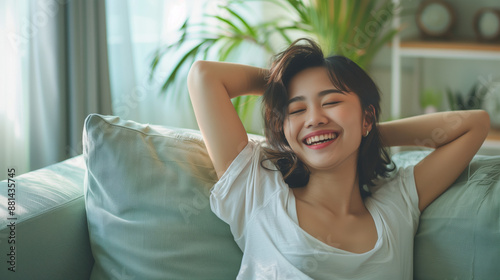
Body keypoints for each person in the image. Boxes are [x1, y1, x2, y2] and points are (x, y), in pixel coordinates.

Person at [187, 38, 490, 279]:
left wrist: (363, 133)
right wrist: (279, 84)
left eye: (330, 102)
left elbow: (473, 124)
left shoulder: (395, 204)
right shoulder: (257, 190)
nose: (315, 118)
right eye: (296, 109)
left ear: (367, 116)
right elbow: (205, 76)